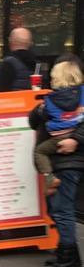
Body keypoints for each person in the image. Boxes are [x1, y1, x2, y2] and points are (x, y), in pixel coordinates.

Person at [29, 58, 84, 267]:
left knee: (62, 209)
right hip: (59, 160)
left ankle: (67, 258)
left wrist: (76, 140)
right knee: (57, 208)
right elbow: (33, 120)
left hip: (68, 160)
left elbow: (35, 120)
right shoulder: (57, 100)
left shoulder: (57, 100)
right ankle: (69, 252)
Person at [33, 60, 84, 193]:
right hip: (75, 131)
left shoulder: (50, 98)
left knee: (39, 151)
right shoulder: (82, 93)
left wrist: (39, 109)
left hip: (59, 136)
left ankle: (49, 179)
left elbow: (41, 116)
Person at [0, 27, 37, 91]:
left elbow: (0, 92)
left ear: (11, 42)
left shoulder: (7, 64)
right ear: (30, 43)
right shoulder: (38, 64)